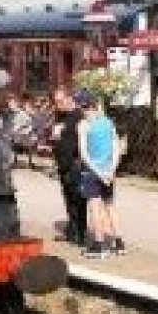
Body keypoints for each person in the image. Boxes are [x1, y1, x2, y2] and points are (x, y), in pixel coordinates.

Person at [75, 89, 123, 259]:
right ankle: (119, 243)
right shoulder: (107, 122)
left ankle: (99, 245)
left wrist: (99, 172)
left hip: (93, 172)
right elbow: (117, 147)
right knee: (110, 206)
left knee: (95, 208)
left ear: (81, 106)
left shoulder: (83, 125)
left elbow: (84, 154)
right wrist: (112, 169)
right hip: (109, 171)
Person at [51, 87, 86, 245]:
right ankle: (71, 231)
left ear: (69, 99)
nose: (57, 105)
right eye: (56, 102)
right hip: (62, 164)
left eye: (60, 101)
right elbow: (57, 137)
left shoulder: (78, 116)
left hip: (75, 163)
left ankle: (81, 234)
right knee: (68, 199)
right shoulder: (59, 116)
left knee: (78, 199)